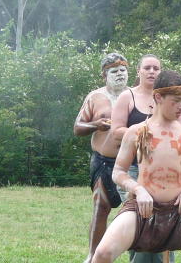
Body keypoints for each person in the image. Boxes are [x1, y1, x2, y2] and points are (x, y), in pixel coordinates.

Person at [92, 70, 181, 263]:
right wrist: (138, 190)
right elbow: (118, 172)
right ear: (158, 97)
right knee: (102, 255)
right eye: (175, 101)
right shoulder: (137, 132)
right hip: (141, 211)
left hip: (180, 211)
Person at [111, 55, 181, 263]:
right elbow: (116, 131)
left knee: (164, 219)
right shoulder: (128, 97)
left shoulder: (172, 99)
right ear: (139, 71)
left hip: (164, 171)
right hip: (133, 171)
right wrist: (147, 131)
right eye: (147, 68)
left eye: (156, 68)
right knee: (141, 220)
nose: (152, 71)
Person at [74, 53, 130, 263]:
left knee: (133, 210)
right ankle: (93, 256)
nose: (119, 75)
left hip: (131, 162)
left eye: (123, 70)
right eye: (114, 72)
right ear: (104, 75)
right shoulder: (95, 97)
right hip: (103, 161)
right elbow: (78, 128)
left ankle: (135, 254)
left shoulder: (135, 96)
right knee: (100, 207)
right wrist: (96, 125)